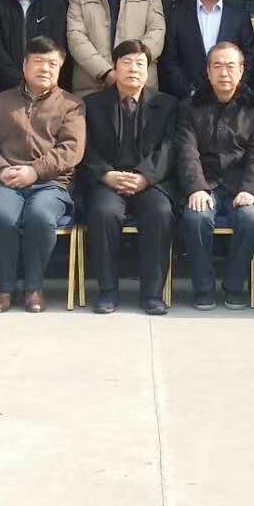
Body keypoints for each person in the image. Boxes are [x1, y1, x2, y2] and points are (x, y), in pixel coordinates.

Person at [0, 37, 84, 313]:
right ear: (25, 66)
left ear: (60, 68)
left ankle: (33, 287)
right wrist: (1, 169)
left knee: (39, 216)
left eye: (52, 64)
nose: (45, 69)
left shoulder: (71, 105)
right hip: (8, 181)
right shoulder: (0, 102)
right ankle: (3, 288)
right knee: (1, 216)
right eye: (38, 62)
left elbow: (71, 150)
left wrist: (34, 171)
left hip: (52, 184)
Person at [81, 41, 179, 316]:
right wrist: (106, 174)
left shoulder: (167, 104)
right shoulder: (92, 104)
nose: (133, 69)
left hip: (150, 182)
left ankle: (152, 294)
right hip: (109, 181)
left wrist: (146, 176)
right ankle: (107, 291)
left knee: (160, 212)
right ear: (114, 68)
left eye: (139, 64)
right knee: (103, 213)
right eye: (126, 62)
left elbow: (170, 147)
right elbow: (84, 149)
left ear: (148, 71)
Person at [174, 42, 254, 310]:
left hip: (241, 185)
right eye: (217, 66)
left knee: (251, 219)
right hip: (206, 184)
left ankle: (234, 286)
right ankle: (203, 288)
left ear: (241, 70)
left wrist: (251, 189)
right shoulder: (190, 106)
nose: (224, 73)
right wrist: (196, 188)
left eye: (230, 66)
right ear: (208, 71)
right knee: (196, 218)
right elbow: (187, 151)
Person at [161, 0, 252, 100]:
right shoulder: (177, 13)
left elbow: (248, 55)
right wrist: (189, 92)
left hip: (230, 97)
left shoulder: (239, 14)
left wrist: (232, 88)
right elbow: (170, 59)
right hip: (188, 99)